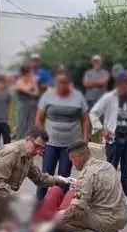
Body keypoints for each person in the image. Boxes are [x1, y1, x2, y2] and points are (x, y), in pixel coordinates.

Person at [58, 141, 127, 232]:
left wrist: (56, 218)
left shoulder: (85, 177)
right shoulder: (107, 166)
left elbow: (75, 209)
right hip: (123, 214)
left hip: (109, 219)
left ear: (78, 159)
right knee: (93, 204)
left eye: (71, 160)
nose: (72, 163)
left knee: (66, 220)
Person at [35, 69, 90, 201]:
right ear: (55, 83)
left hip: (70, 145)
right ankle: (39, 206)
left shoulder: (78, 97)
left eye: (65, 83)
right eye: (60, 83)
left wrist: (85, 141)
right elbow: (39, 118)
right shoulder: (48, 96)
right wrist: (40, 140)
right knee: (45, 176)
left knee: (64, 177)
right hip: (51, 143)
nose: (62, 85)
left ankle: (60, 208)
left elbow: (86, 120)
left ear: (69, 83)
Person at [89, 71, 127, 205]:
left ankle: (125, 199)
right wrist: (101, 128)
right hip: (114, 138)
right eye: (126, 82)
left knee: (126, 172)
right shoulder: (109, 97)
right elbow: (93, 113)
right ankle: (108, 197)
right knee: (110, 169)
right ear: (119, 83)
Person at [13, 64, 40, 141]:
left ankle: (30, 141)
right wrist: (31, 89)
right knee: (22, 123)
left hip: (33, 105)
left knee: (31, 124)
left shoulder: (32, 81)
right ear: (26, 72)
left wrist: (32, 84)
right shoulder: (19, 81)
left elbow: (37, 93)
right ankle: (19, 142)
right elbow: (26, 90)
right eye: (30, 71)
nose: (32, 73)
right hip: (23, 104)